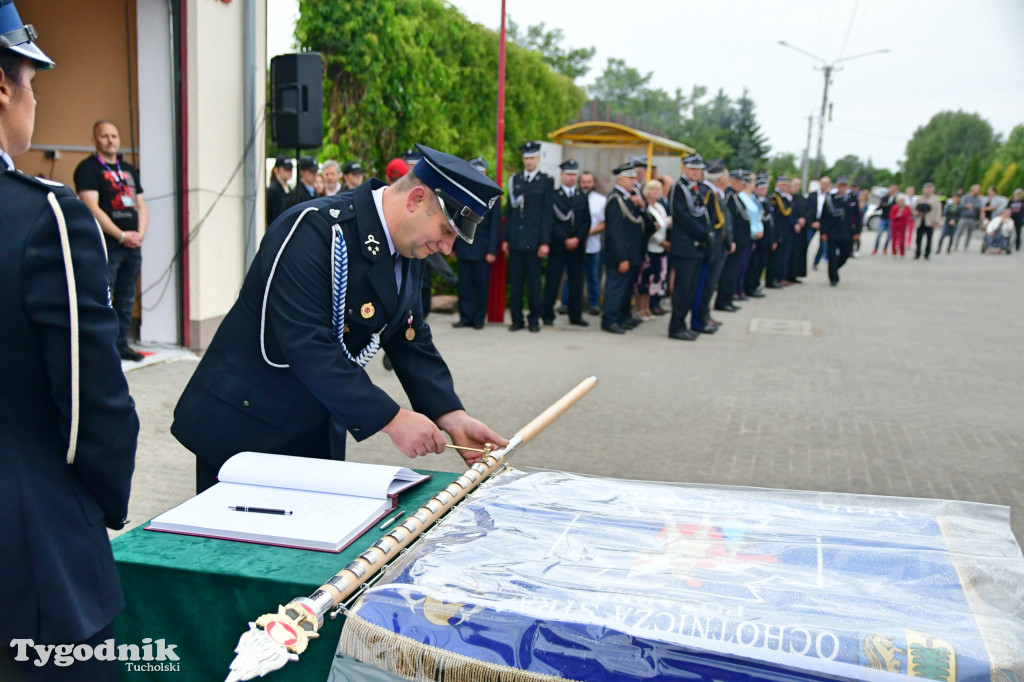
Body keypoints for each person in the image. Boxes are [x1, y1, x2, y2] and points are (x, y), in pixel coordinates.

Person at [171, 144, 507, 494]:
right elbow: (306, 343)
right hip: (248, 428)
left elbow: (410, 335)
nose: (448, 248)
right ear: (415, 199)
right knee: (240, 549)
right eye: (446, 230)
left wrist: (451, 415)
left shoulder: (407, 246)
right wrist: (392, 419)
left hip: (314, 426)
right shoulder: (314, 230)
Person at [0, 7, 138, 678]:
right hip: (30, 552)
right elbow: (93, 410)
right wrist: (98, 507)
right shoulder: (42, 215)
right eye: (31, 80)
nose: (33, 97)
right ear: (2, 88)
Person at [74, 120, 148, 362]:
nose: (110, 140)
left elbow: (141, 205)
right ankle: (100, 349)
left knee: (126, 298)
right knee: (104, 296)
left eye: (114, 135)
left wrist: (139, 233)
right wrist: (121, 235)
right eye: (104, 136)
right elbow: (91, 206)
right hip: (107, 245)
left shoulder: (128, 169)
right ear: (94, 140)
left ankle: (120, 344)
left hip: (132, 245)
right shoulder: (88, 169)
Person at [503, 141, 552, 332]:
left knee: (533, 284)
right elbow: (510, 210)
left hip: (534, 241)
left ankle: (533, 320)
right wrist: (506, 238)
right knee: (515, 283)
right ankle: (517, 320)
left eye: (532, 158)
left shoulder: (545, 181)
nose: (529, 161)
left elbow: (547, 214)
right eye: (526, 158)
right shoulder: (516, 180)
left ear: (538, 159)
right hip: (516, 240)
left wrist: (545, 242)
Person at [602, 161, 652, 334]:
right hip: (621, 255)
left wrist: (643, 206)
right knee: (616, 288)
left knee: (627, 289)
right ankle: (610, 319)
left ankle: (623, 316)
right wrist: (622, 257)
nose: (634, 181)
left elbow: (649, 226)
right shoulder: (615, 200)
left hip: (634, 253)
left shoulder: (631, 200)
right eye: (630, 178)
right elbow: (616, 233)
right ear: (620, 180)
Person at [666, 153, 712, 340]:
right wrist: (704, 232)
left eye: (698, 169)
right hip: (685, 245)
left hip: (696, 246)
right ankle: (676, 327)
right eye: (692, 169)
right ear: (684, 169)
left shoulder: (694, 189)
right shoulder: (679, 188)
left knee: (691, 289)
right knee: (683, 289)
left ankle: (683, 324)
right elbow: (683, 217)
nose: (695, 172)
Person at [452, 156, 500, 329]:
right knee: (464, 284)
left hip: (482, 248)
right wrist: (453, 245)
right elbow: (455, 220)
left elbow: (495, 225)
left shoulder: (493, 195)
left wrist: (492, 250)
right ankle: (465, 317)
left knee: (481, 285)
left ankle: (479, 319)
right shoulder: (462, 191)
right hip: (464, 245)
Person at [542, 159, 590, 326]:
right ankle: (548, 315)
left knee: (577, 282)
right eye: (568, 174)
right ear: (562, 175)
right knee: (553, 281)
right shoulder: (555, 196)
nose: (571, 178)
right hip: (558, 245)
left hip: (576, 246)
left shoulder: (582, 196)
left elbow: (586, 221)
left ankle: (575, 315)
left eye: (573, 175)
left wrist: (577, 239)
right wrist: (564, 239)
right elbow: (551, 221)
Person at [635, 179, 671, 319]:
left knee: (654, 279)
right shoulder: (646, 208)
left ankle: (648, 306)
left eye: (658, 189)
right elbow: (649, 228)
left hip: (661, 249)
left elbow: (663, 224)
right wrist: (661, 241)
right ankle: (640, 308)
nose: (655, 192)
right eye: (652, 189)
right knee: (644, 279)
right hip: (651, 246)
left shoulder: (660, 207)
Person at [579, 170, 606, 315]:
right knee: (572, 277)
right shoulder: (575, 197)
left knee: (593, 276)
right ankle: (567, 303)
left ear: (593, 183)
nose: (586, 185)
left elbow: (604, 223)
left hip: (593, 244)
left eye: (588, 182)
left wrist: (588, 232)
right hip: (577, 245)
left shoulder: (600, 200)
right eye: (583, 182)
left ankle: (593, 304)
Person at [822, 176, 852, 285]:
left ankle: (834, 268)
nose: (842, 187)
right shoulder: (831, 198)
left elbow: (856, 216)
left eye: (844, 185)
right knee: (832, 255)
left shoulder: (851, 198)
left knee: (845, 253)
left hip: (847, 233)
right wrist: (823, 232)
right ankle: (833, 278)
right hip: (832, 232)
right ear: (837, 186)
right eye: (840, 185)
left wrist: (857, 231)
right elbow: (824, 216)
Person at [768, 175, 794, 286]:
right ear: (777, 185)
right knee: (775, 257)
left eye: (786, 184)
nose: (785, 186)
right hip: (778, 230)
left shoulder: (784, 197)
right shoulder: (775, 197)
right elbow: (777, 217)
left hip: (784, 231)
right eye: (782, 184)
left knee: (782, 256)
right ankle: (773, 279)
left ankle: (779, 277)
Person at [787, 177, 810, 282]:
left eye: (798, 185)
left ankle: (795, 274)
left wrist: (804, 218)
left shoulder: (801, 198)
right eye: (794, 185)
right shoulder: (788, 198)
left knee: (798, 253)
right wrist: (795, 222)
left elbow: (809, 209)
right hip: (790, 229)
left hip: (801, 230)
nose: (796, 187)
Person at [913, 182, 942, 260]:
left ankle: (927, 254)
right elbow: (914, 209)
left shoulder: (935, 199)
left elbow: (938, 211)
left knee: (929, 239)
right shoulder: (919, 198)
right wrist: (917, 213)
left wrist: (936, 222)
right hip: (920, 220)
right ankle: (917, 253)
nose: (927, 190)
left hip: (930, 222)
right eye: (926, 188)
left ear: (932, 190)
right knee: (918, 238)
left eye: (929, 189)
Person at [266, 156, 293, 226]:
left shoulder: (290, 189)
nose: (290, 172)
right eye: (286, 169)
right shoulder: (273, 191)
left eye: (291, 169)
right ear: (277, 170)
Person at [956, 184, 983, 251]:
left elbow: (978, 206)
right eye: (977, 190)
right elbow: (962, 205)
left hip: (972, 218)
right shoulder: (965, 197)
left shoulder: (977, 199)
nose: (978, 191)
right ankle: (956, 245)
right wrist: (968, 206)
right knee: (960, 231)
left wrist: (971, 206)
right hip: (964, 216)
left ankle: (966, 246)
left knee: (969, 233)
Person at [874, 184, 897, 254]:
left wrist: (887, 205)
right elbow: (881, 206)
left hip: (891, 219)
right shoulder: (884, 197)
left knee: (889, 235)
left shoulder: (896, 199)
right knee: (879, 233)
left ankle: (885, 248)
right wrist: (888, 206)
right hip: (883, 218)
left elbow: (894, 207)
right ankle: (876, 248)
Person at [1008, 188, 1023, 252]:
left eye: (1019, 194)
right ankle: (1007, 245)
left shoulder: (1022, 201)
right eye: (1017, 194)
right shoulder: (1011, 201)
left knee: (1018, 233)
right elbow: (1007, 209)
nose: (1018, 195)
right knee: (1009, 232)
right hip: (1011, 218)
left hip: (1019, 219)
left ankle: (1017, 246)